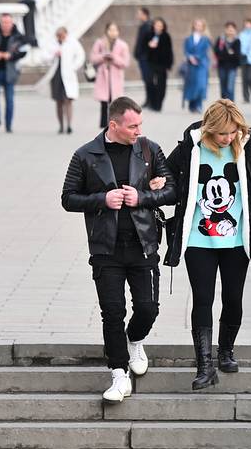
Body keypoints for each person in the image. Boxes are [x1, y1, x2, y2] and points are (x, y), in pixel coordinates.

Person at [61, 97, 177, 402]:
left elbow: (172, 191)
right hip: (106, 249)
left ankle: (135, 339)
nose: (139, 130)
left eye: (140, 124)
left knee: (148, 309)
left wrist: (142, 197)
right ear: (113, 125)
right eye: (132, 126)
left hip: (144, 245)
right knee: (112, 313)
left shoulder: (149, 150)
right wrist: (102, 199)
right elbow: (68, 198)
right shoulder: (86, 155)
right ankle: (118, 374)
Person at [164, 100, 251, 390]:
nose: (228, 138)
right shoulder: (191, 147)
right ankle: (204, 366)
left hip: (236, 240)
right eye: (223, 133)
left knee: (233, 298)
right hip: (198, 239)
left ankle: (226, 351)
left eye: (233, 132)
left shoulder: (246, 147)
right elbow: (168, 176)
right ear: (210, 129)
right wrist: (159, 185)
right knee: (202, 299)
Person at [0, 13, 30, 133]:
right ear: (0, 23)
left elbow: (24, 51)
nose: (6, 25)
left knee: (9, 100)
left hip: (10, 72)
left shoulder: (19, 37)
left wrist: (11, 56)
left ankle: (8, 125)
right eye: (4, 22)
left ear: (12, 23)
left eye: (8, 22)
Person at [91, 22, 130, 129]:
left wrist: (114, 58)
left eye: (115, 30)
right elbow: (93, 58)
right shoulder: (100, 43)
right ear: (106, 31)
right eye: (110, 30)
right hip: (103, 77)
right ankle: (104, 126)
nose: (113, 32)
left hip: (116, 77)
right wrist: (103, 56)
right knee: (104, 103)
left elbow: (125, 62)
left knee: (115, 103)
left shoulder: (122, 45)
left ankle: (115, 125)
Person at [49, 26, 85, 135]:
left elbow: (80, 55)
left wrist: (74, 67)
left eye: (62, 35)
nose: (60, 38)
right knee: (58, 101)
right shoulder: (53, 43)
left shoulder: (72, 42)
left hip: (68, 75)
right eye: (58, 36)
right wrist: (54, 54)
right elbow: (44, 56)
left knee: (68, 100)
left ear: (66, 34)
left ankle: (69, 125)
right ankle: (61, 126)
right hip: (56, 75)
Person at [141, 17, 173, 112]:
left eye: (160, 25)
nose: (158, 27)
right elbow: (143, 48)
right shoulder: (148, 35)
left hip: (162, 64)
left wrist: (169, 64)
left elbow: (169, 51)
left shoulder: (166, 36)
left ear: (163, 27)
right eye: (157, 25)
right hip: (150, 63)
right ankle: (152, 102)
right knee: (150, 83)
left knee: (161, 85)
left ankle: (158, 104)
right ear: (154, 26)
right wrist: (149, 46)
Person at [182, 19, 212, 114]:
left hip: (202, 64)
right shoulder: (188, 38)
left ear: (203, 27)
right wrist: (190, 57)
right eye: (196, 25)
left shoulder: (206, 39)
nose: (198, 27)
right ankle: (192, 105)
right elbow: (186, 50)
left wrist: (196, 58)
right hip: (191, 65)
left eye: (200, 25)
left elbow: (204, 51)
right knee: (191, 84)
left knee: (201, 85)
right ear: (193, 26)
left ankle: (199, 105)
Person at [214, 22, 242, 102]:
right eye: (228, 30)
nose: (230, 32)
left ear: (235, 31)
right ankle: (223, 106)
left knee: (230, 87)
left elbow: (237, 55)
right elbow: (216, 51)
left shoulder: (237, 41)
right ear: (225, 30)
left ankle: (231, 106)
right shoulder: (221, 40)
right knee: (223, 88)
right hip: (222, 66)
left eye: (232, 30)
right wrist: (228, 54)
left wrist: (227, 54)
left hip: (232, 67)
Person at [134, 7, 154, 110]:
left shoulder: (149, 26)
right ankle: (148, 100)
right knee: (146, 80)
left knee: (149, 79)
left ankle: (151, 101)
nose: (137, 15)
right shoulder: (144, 26)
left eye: (139, 13)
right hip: (142, 58)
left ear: (144, 14)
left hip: (146, 59)